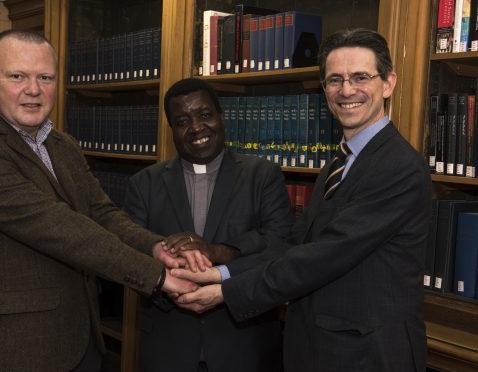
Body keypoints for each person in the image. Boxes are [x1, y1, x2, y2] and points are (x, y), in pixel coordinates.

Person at [174, 28, 432, 372]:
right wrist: (221, 274)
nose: (347, 90)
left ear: (388, 83)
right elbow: (298, 243)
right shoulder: (340, 162)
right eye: (334, 80)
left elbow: (325, 254)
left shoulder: (398, 167)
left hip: (367, 354)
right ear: (325, 89)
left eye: (360, 77)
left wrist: (227, 293)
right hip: (321, 347)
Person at [0, 29, 197, 372]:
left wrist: (156, 248)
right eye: (17, 76)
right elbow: (58, 226)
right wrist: (157, 276)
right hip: (14, 350)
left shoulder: (62, 144)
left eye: (45, 77)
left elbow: (101, 212)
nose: (33, 90)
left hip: (80, 341)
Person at [123, 77, 295, 372]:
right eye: (182, 121)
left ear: (220, 117)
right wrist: (174, 284)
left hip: (245, 348)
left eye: (205, 115)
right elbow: (130, 256)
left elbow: (279, 246)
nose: (196, 128)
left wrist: (214, 251)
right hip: (169, 348)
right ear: (171, 130)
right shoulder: (144, 184)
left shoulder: (262, 175)